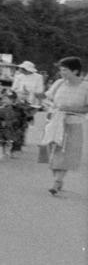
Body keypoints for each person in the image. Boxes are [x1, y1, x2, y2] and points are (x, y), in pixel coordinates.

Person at [42, 56, 88, 196]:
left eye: (65, 70)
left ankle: (57, 182)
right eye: (61, 70)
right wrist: (50, 109)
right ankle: (58, 179)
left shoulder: (85, 87)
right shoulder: (58, 84)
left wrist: (70, 109)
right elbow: (47, 100)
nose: (62, 73)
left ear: (75, 71)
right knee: (51, 152)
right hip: (55, 121)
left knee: (66, 153)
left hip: (73, 122)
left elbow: (87, 108)